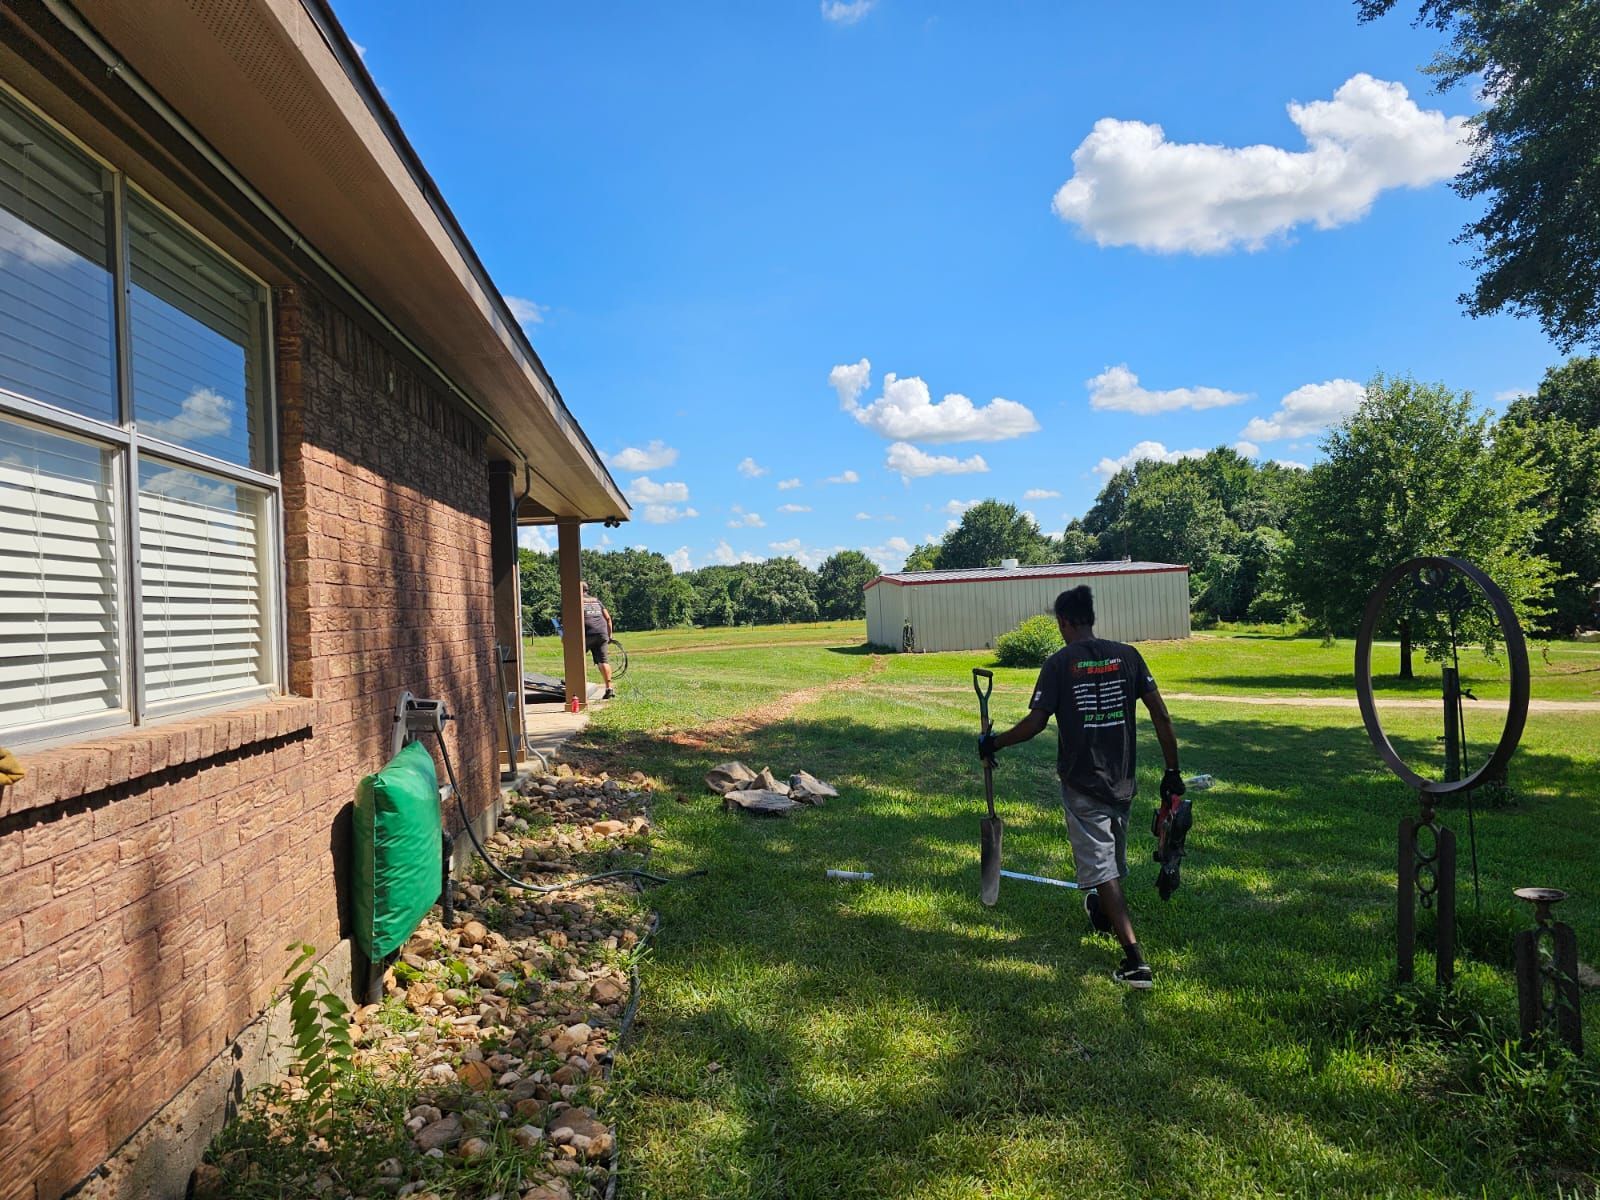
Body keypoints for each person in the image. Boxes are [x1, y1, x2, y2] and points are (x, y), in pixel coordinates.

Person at [978, 584, 1182, 989]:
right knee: (1109, 862)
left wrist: (993, 742)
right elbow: (1161, 714)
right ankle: (1101, 913)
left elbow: (1035, 723)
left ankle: (1135, 962)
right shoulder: (1129, 656)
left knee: (1104, 869)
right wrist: (1172, 770)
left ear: (1064, 622)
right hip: (1122, 779)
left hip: (1082, 783)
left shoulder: (1060, 663)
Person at [581, 582, 616, 700]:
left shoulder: (578, 601)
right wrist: (609, 636)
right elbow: (608, 618)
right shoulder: (597, 601)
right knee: (603, 661)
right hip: (602, 634)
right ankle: (609, 688)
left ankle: (576, 686)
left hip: (586, 634)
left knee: (576, 659)